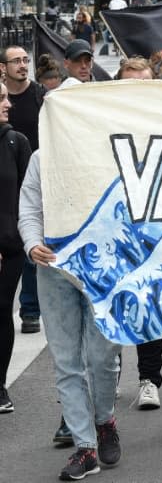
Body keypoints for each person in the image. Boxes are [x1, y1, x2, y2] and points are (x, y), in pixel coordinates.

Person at [18, 39, 122, 480]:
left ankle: (105, 420)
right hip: (54, 272)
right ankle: (84, 447)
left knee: (101, 358)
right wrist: (31, 244)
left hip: (99, 273)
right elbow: (29, 208)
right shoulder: (41, 160)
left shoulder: (108, 158)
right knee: (66, 361)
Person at [0, 46, 47, 335]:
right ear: (3, 67)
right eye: (16, 61)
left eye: (25, 60)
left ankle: (30, 309)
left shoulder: (40, 96)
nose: (22, 65)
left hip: (30, 173)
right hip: (9, 169)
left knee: (28, 240)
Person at [0, 82, 32, 414]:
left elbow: (27, 198)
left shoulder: (16, 142)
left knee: (1, 313)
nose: (7, 104)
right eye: (1, 98)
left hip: (9, 248)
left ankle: (0, 384)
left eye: (7, 97)